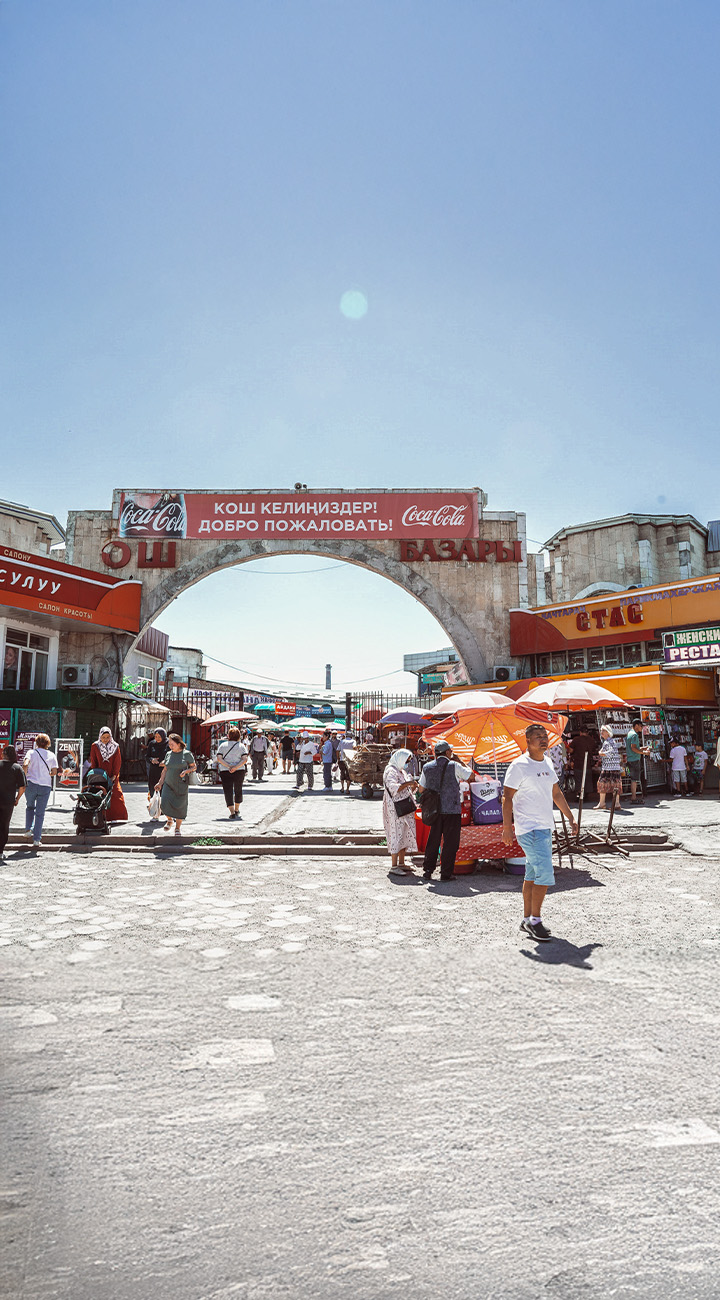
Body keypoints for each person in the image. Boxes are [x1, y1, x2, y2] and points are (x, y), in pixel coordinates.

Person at [502, 723, 578, 942]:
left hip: (544, 827)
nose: (543, 740)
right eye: (537, 736)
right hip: (529, 829)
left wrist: (570, 817)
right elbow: (507, 798)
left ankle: (527, 919)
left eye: (544, 736)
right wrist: (507, 828)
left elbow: (556, 792)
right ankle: (536, 921)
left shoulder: (546, 761)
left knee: (533, 874)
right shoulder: (519, 765)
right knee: (545, 874)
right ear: (527, 741)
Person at [418, 740, 473, 882]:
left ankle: (428, 870)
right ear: (448, 752)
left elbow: (421, 789)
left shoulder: (427, 767)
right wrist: (459, 760)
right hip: (452, 810)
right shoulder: (454, 765)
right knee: (450, 843)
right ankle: (446, 873)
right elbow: (470, 776)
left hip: (434, 810)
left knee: (433, 840)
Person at [382, 747, 419, 875]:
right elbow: (393, 787)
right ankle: (394, 865)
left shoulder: (400, 771)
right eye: (406, 760)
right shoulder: (390, 771)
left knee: (403, 832)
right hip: (395, 809)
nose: (407, 763)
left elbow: (407, 789)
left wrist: (412, 786)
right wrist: (409, 784)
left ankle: (402, 863)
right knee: (396, 833)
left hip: (404, 808)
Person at [155, 733, 196, 833]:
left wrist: (186, 771)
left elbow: (194, 767)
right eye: (169, 744)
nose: (170, 746)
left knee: (180, 807)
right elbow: (165, 769)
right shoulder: (169, 754)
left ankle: (177, 827)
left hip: (181, 785)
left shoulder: (187, 754)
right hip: (168, 784)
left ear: (179, 744)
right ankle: (169, 820)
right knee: (163, 804)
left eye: (172, 744)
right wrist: (160, 783)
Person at [23, 733, 59, 848]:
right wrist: (46, 774)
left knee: (29, 807)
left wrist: (25, 776)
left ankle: (28, 829)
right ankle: (36, 840)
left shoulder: (31, 752)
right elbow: (54, 772)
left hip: (31, 784)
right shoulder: (52, 755)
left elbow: (25, 764)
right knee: (40, 813)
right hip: (45, 786)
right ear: (48, 743)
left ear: (36, 742)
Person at [89, 728, 128, 821]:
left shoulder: (115, 746)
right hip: (99, 775)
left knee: (116, 795)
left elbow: (117, 762)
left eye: (108, 737)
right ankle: (101, 817)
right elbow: (93, 762)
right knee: (100, 795)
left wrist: (114, 776)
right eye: (103, 737)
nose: (106, 739)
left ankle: (118, 817)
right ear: (100, 737)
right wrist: (95, 775)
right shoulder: (95, 746)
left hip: (112, 775)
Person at [0, 745, 25, 862]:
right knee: (4, 825)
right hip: (8, 801)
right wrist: (17, 799)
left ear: (3, 754)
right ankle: (0, 851)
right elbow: (22, 787)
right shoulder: (17, 768)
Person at [216, 726, 248, 819]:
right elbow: (245, 759)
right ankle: (237, 810)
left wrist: (228, 766)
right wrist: (236, 767)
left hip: (225, 770)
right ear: (239, 736)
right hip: (239, 771)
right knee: (238, 789)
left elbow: (219, 758)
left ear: (228, 735)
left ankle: (232, 812)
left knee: (228, 790)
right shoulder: (241, 746)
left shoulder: (223, 745)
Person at [593, 724, 623, 812]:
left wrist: (600, 753)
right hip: (614, 767)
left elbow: (609, 753)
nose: (601, 732)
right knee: (615, 785)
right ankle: (616, 803)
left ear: (608, 732)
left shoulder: (608, 742)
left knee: (602, 783)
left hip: (609, 767)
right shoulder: (611, 742)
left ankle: (602, 803)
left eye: (603, 731)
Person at [625, 718, 649, 804]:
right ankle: (634, 798)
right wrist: (644, 752)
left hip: (630, 759)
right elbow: (633, 748)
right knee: (634, 780)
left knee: (633, 779)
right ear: (636, 725)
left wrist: (642, 748)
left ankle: (633, 797)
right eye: (641, 726)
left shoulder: (629, 734)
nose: (641, 728)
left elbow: (633, 748)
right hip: (634, 759)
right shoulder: (634, 735)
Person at [569, 725, 596, 800]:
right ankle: (586, 796)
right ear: (587, 732)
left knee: (578, 780)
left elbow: (570, 750)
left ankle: (579, 796)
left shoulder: (576, 739)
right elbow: (594, 749)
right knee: (587, 780)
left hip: (578, 763)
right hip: (588, 763)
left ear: (580, 732)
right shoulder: (591, 740)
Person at [145, 728, 169, 808]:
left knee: (164, 789)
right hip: (153, 771)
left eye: (159, 736)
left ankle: (165, 808)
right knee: (153, 788)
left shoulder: (168, 744)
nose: (157, 738)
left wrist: (165, 761)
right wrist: (152, 760)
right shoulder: (152, 744)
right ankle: (155, 807)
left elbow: (172, 755)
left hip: (164, 771)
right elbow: (147, 756)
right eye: (155, 736)